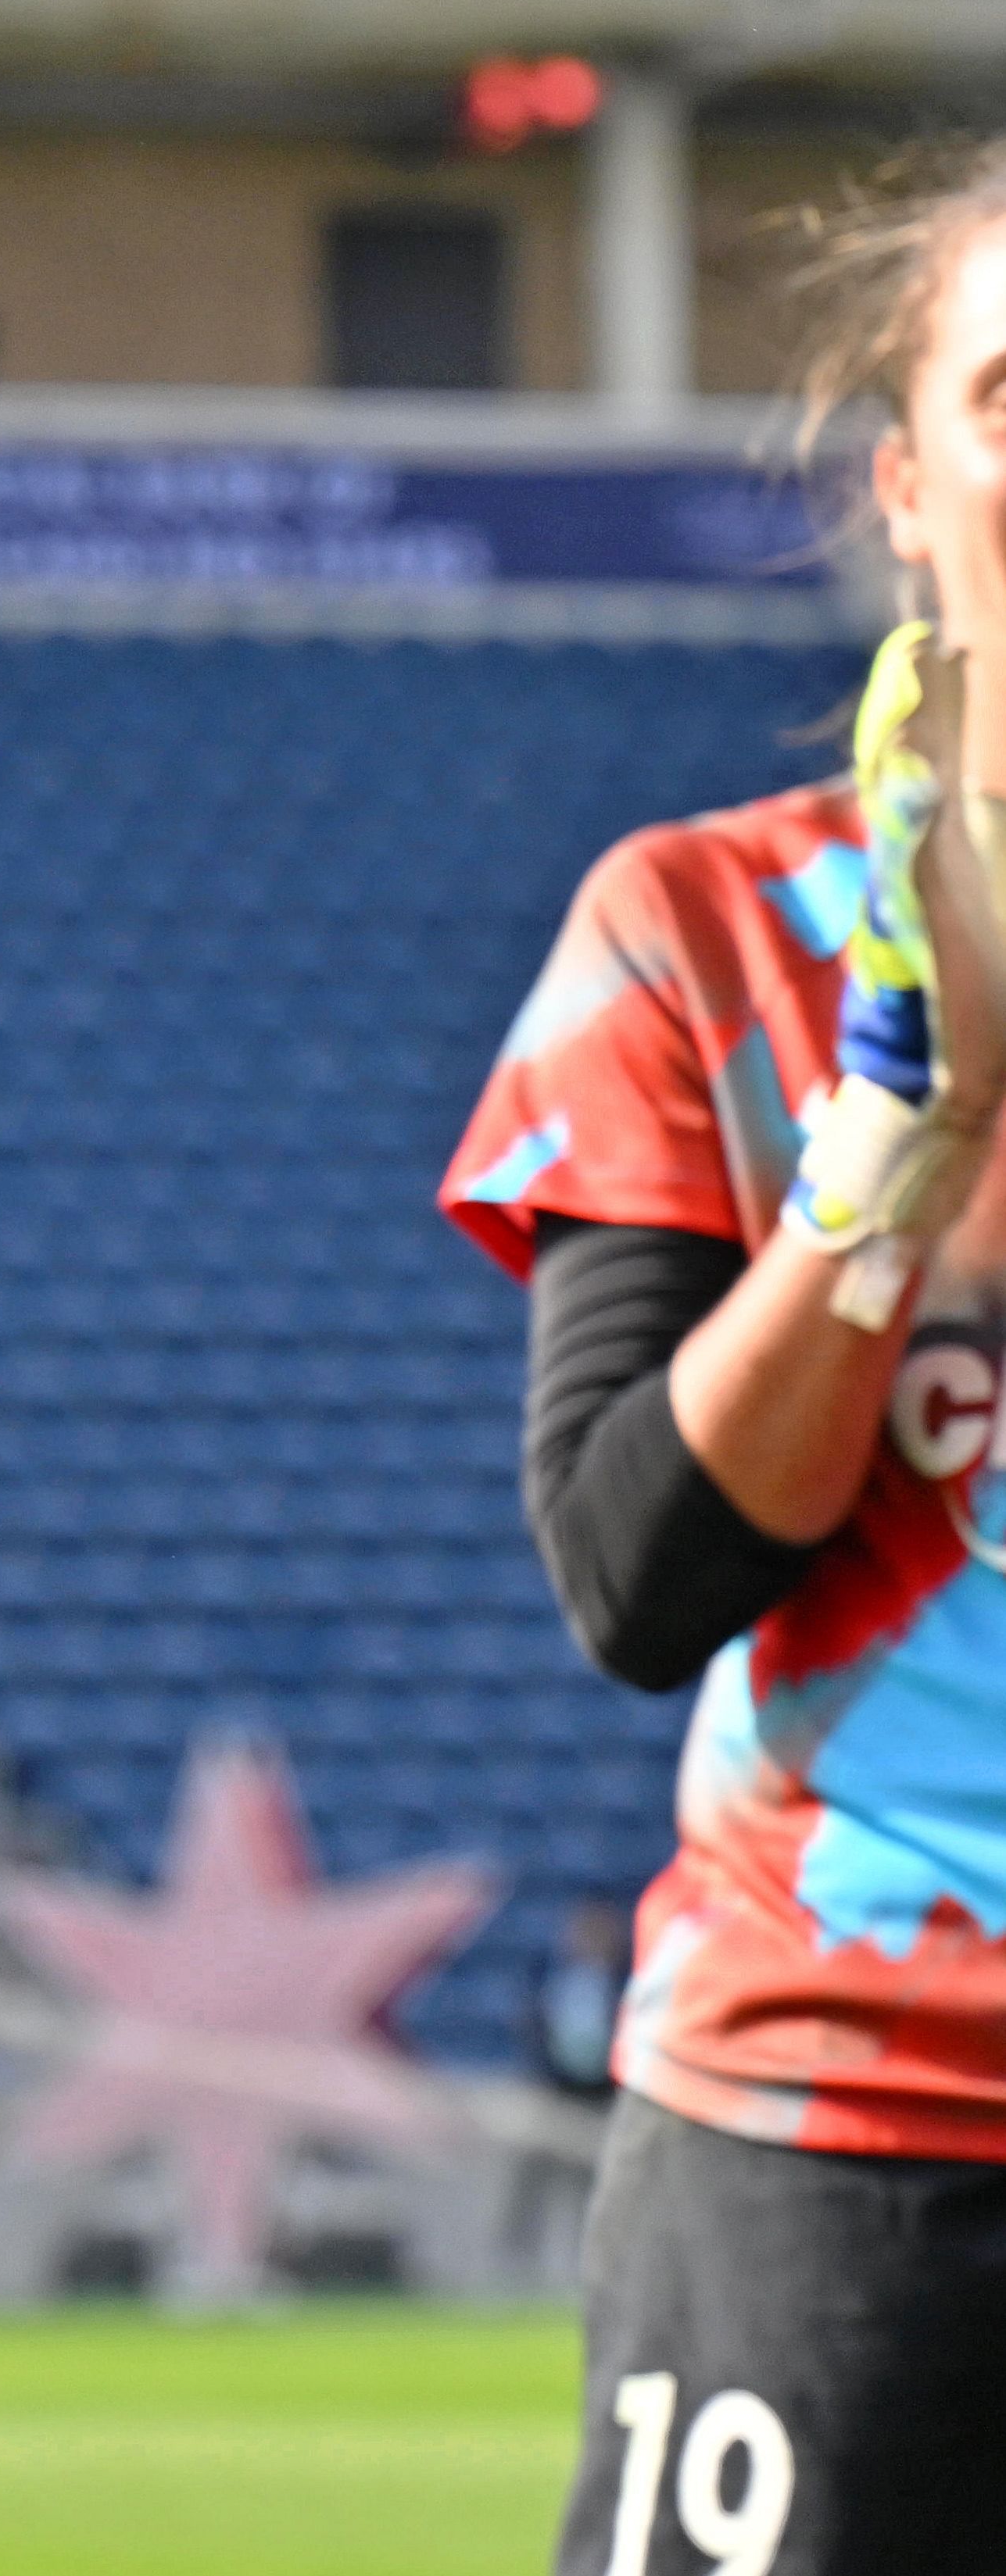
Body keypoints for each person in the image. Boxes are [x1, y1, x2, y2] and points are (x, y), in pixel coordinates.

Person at [441, 150, 1006, 2576]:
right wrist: (911, 1128)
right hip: (842, 2138)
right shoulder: (701, 928)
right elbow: (635, 1571)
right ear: (906, 477)